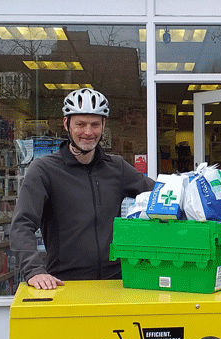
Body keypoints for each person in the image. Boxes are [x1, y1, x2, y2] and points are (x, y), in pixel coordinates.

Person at [10, 88, 155, 290]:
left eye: (95, 124)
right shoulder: (44, 169)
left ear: (103, 125)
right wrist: (34, 270)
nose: (88, 132)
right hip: (66, 283)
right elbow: (22, 224)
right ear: (66, 124)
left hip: (116, 283)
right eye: (80, 124)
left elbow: (159, 195)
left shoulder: (117, 167)